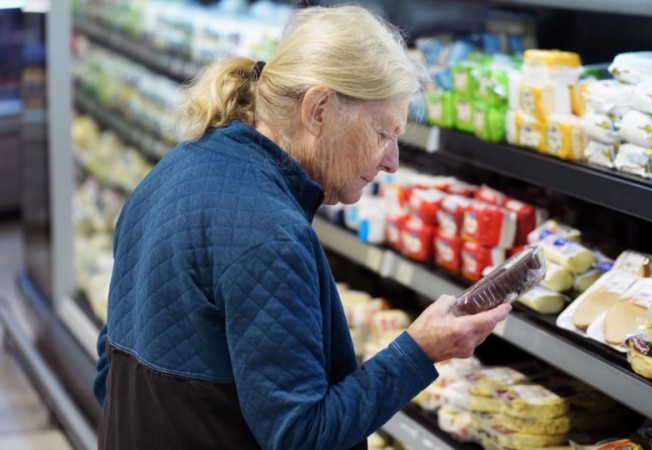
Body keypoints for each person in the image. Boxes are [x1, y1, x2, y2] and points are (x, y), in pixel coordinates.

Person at [94, 5, 511, 450]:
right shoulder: (270, 236)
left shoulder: (169, 173)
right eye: (383, 134)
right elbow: (302, 436)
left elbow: (110, 372)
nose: (392, 162)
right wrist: (419, 351)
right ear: (319, 109)